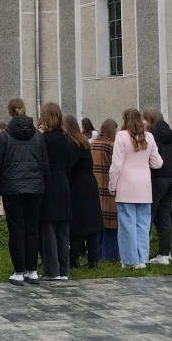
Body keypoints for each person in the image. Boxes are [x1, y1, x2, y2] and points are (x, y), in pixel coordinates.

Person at [0, 97, 48, 286]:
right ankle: (32, 271)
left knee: (16, 229)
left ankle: (18, 271)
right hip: (35, 187)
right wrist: (44, 185)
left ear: (10, 112)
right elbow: (44, 163)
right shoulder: (38, 136)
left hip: (12, 187)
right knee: (32, 228)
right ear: (25, 109)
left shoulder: (4, 136)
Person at [108, 109, 163, 269]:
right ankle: (142, 258)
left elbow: (116, 164)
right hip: (144, 185)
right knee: (143, 225)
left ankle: (129, 260)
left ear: (125, 119)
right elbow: (158, 163)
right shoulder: (149, 136)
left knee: (127, 224)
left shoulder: (121, 136)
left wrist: (112, 184)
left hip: (125, 185)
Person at [39, 103, 76, 281]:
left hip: (48, 185)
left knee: (48, 230)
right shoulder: (67, 140)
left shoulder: (43, 139)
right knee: (63, 231)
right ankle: (63, 270)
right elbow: (70, 165)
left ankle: (51, 271)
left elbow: (41, 164)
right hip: (63, 183)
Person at [63, 114, 103, 270]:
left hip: (77, 186)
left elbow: (70, 166)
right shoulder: (84, 141)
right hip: (90, 183)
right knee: (91, 223)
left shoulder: (72, 144)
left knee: (77, 224)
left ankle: (74, 257)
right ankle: (93, 259)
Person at [141, 108, 172, 265]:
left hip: (156, 179)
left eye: (143, 119)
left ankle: (142, 252)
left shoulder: (152, 137)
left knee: (148, 216)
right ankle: (164, 253)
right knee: (165, 217)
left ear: (149, 120)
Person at [91, 119, 118, 261]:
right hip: (109, 187)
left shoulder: (93, 144)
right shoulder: (112, 146)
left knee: (99, 224)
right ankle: (109, 255)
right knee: (112, 224)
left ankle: (98, 253)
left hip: (95, 188)